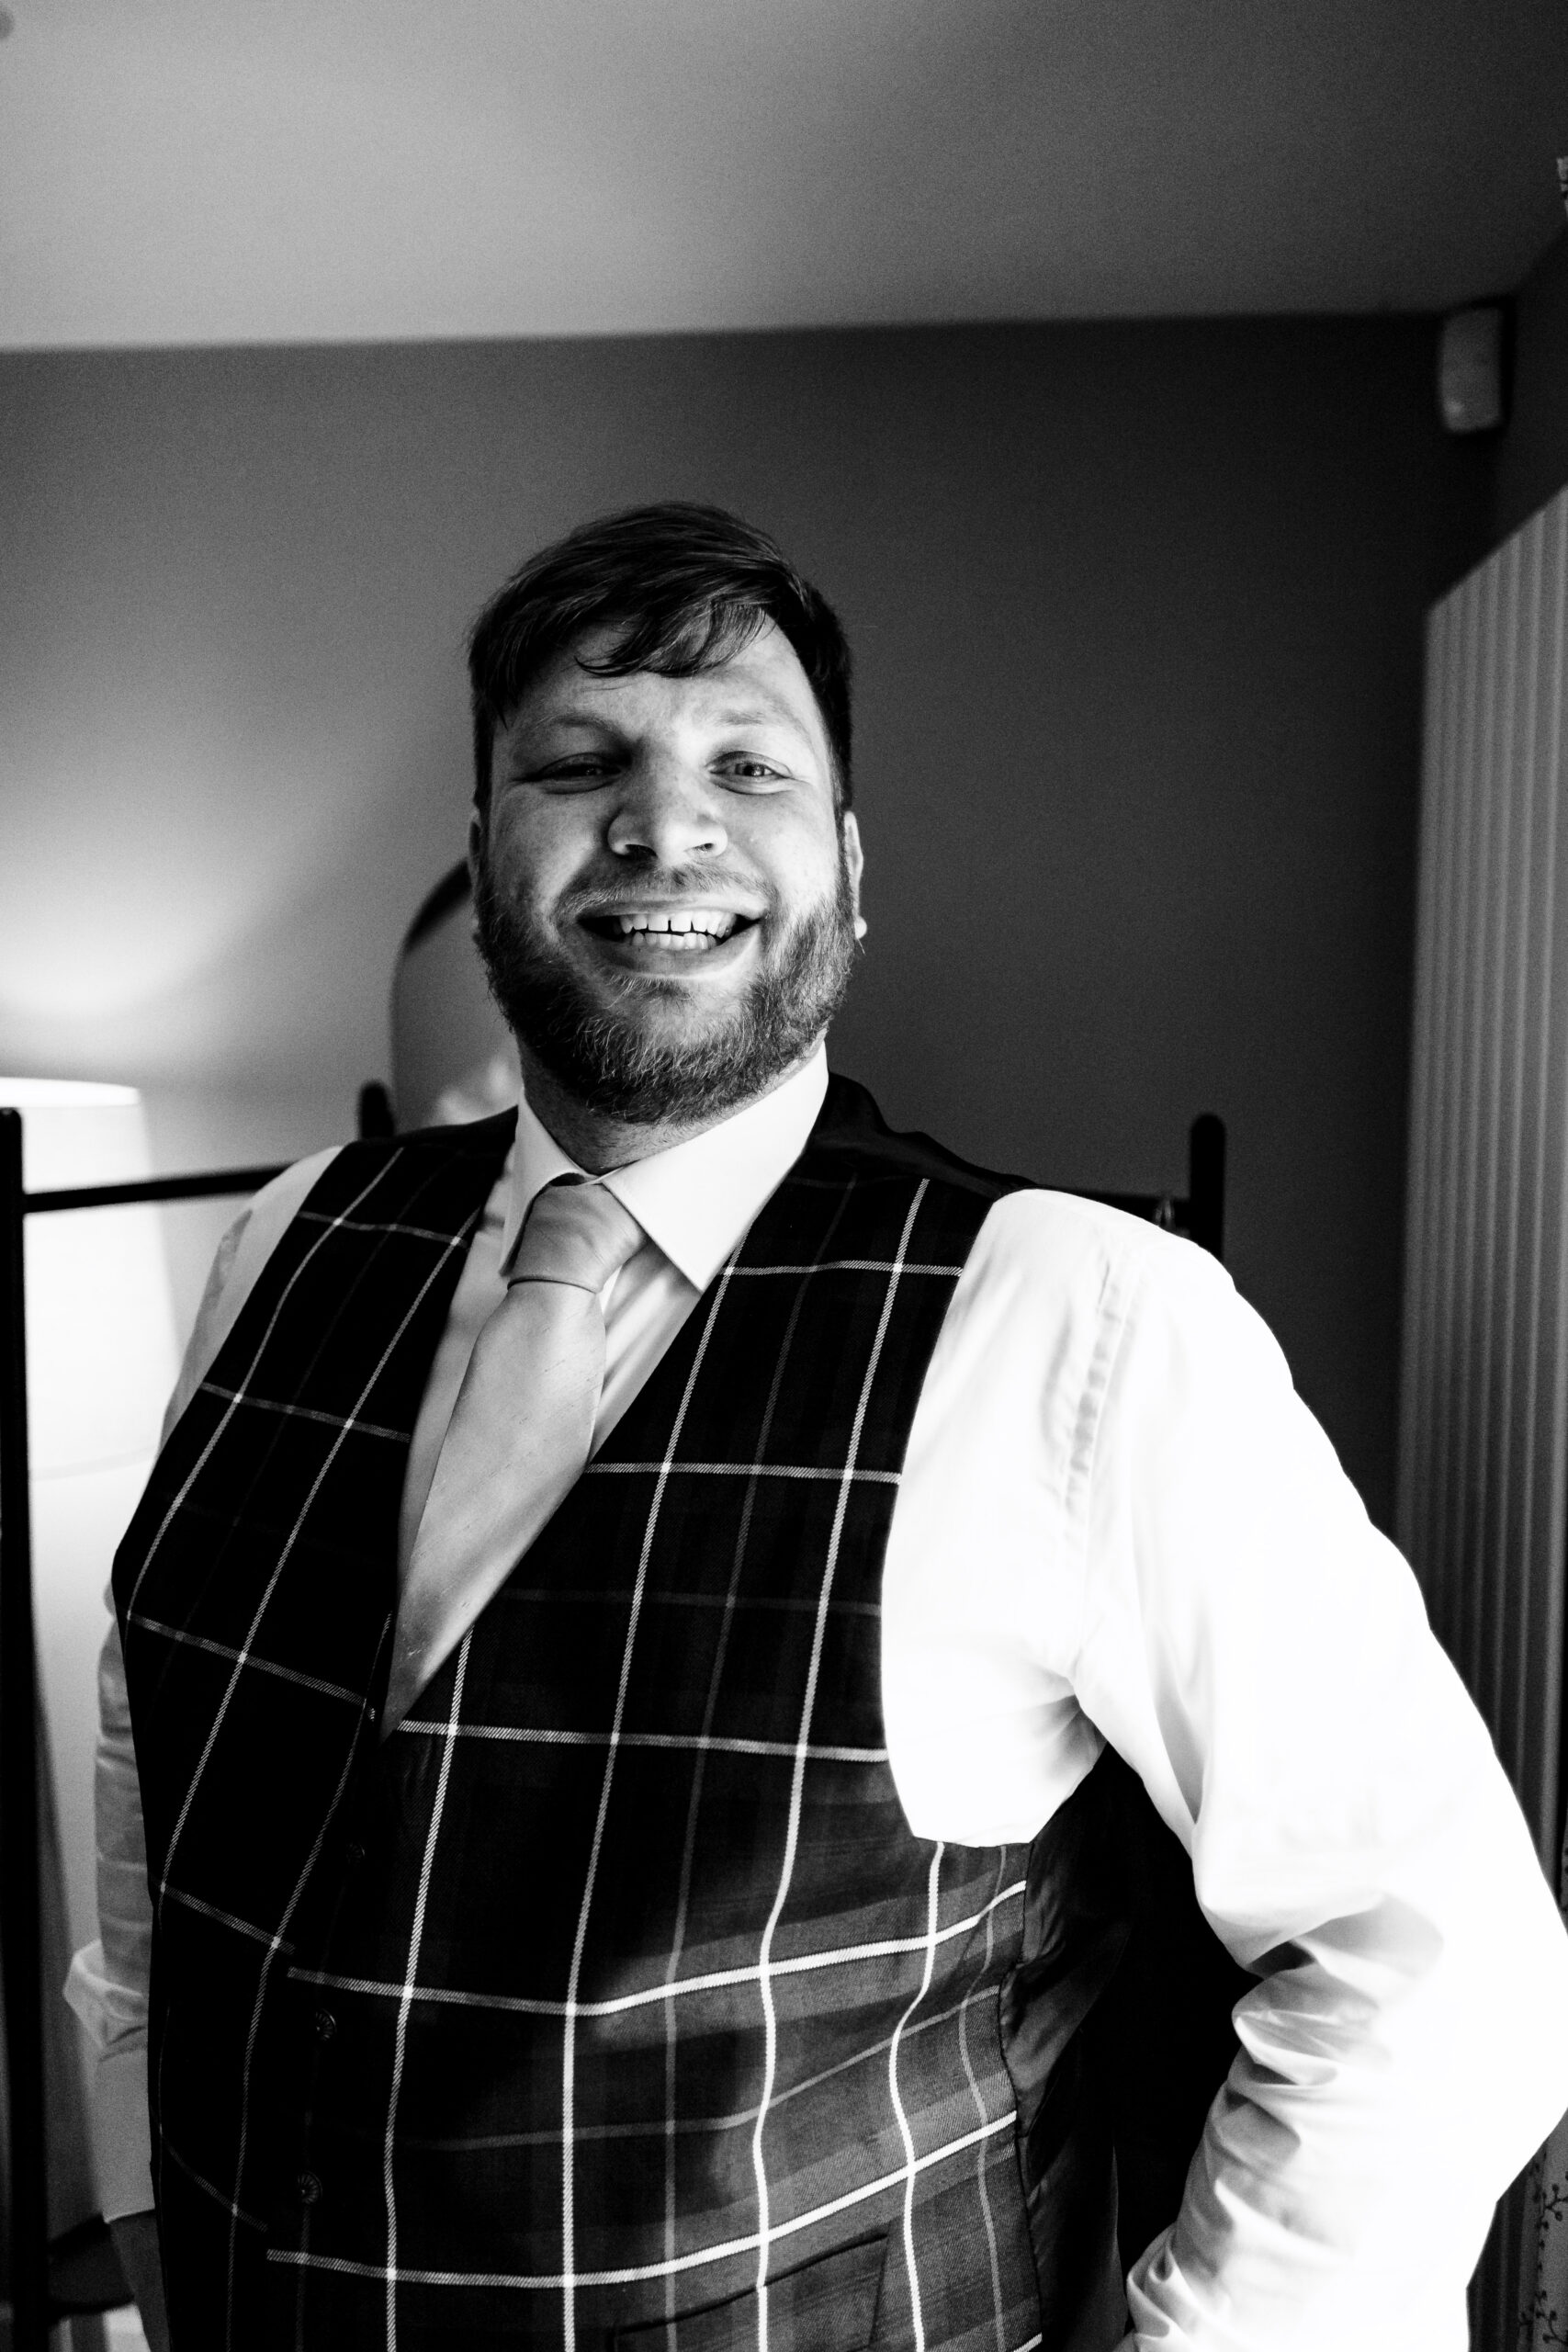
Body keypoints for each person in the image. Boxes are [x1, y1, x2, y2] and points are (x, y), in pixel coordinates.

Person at [68, 502, 1568, 2352]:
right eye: (580, 759)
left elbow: (1431, 1958)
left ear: (846, 868)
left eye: (744, 763)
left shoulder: (1073, 1319)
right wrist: (143, 2197)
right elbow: (169, 1765)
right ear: (482, 853)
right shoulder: (282, 1241)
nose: (664, 822)